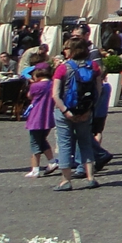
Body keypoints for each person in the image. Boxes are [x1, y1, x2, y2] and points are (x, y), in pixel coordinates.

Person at [50, 38, 101, 191]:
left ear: (72, 50)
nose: (64, 51)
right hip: (85, 110)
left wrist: (65, 111)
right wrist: (89, 109)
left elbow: (55, 94)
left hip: (64, 110)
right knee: (85, 142)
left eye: (66, 48)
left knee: (65, 144)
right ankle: (90, 177)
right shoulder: (93, 66)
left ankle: (66, 180)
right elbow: (98, 91)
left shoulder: (63, 68)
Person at [23, 49, 59, 178]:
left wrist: (31, 84)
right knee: (42, 140)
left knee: (34, 143)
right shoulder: (52, 84)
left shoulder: (35, 86)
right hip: (48, 117)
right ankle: (52, 161)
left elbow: (29, 96)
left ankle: (35, 169)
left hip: (35, 117)